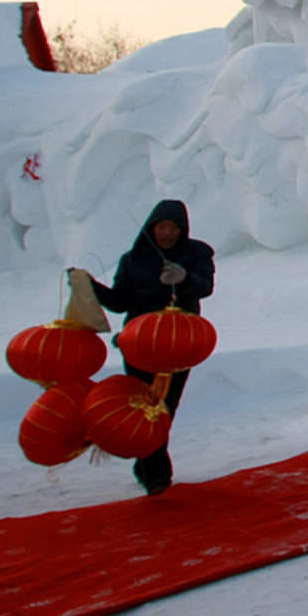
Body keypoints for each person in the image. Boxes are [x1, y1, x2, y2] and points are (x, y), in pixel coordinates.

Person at [84, 199, 215, 495]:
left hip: (179, 346)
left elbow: (205, 286)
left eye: (174, 227)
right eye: (162, 226)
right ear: (151, 227)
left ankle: (146, 464)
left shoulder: (197, 253)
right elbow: (120, 302)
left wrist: (184, 278)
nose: (167, 233)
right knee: (144, 407)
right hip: (138, 345)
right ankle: (156, 475)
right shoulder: (133, 259)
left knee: (165, 406)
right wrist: (91, 287)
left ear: (183, 229)